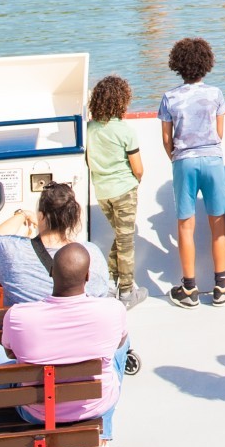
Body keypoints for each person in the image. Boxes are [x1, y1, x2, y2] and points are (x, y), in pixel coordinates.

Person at [0, 242, 128, 447]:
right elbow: (120, 343)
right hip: (95, 405)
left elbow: (10, 353)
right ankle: (100, 444)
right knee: (121, 347)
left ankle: (17, 437)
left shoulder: (19, 315)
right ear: (87, 276)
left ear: (51, 272)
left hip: (36, 411)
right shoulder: (112, 310)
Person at [159, 36, 225, 307]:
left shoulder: (169, 98)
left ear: (177, 65)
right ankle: (221, 284)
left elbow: (167, 140)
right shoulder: (215, 94)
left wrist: (177, 156)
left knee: (186, 225)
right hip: (212, 160)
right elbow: (219, 133)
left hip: (184, 161)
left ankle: (190, 288)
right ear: (207, 64)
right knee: (218, 223)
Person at [0, 182, 114, 304]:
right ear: (73, 218)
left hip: (29, 326)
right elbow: (101, 293)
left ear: (41, 216)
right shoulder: (91, 252)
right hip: (79, 324)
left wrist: (22, 214)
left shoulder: (11, 250)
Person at [85, 74, 146, 306]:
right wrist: (135, 181)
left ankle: (110, 283)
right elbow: (138, 168)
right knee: (126, 241)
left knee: (121, 237)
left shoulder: (89, 129)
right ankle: (127, 291)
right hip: (124, 190)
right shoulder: (125, 131)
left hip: (102, 191)